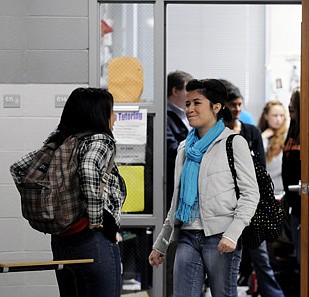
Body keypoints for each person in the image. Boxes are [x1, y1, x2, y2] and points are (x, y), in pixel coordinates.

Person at [149, 78, 260, 297]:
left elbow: (250, 194)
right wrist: (161, 243)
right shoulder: (184, 148)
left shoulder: (233, 143)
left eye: (196, 103)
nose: (189, 109)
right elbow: (177, 200)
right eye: (187, 103)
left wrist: (233, 234)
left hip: (220, 236)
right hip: (188, 235)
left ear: (216, 107)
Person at [13, 87, 126, 297]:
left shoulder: (59, 140)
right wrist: (95, 217)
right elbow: (89, 168)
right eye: (111, 111)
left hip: (62, 240)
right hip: (93, 240)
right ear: (98, 113)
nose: (115, 117)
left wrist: (46, 204)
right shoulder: (99, 140)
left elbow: (19, 168)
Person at [221, 79, 285, 297]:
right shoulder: (217, 133)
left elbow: (261, 171)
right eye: (232, 105)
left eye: (240, 104)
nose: (237, 109)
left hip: (252, 205)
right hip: (225, 205)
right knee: (226, 258)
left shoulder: (251, 132)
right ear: (222, 106)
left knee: (261, 258)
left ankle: (273, 294)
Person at [165, 70, 193, 297]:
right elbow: (172, 150)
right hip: (169, 191)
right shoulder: (165, 117)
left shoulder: (185, 116)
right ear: (175, 91)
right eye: (187, 89)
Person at [282, 87, 301, 264]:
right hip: (292, 206)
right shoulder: (292, 131)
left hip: (302, 208)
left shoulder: (308, 134)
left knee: (302, 258)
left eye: (293, 102)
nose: (289, 106)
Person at [257, 100, 287, 200]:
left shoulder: (286, 137)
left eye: (281, 115)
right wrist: (262, 137)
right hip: (262, 191)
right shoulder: (260, 135)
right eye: (275, 115)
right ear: (266, 116)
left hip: (281, 192)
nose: (278, 119)